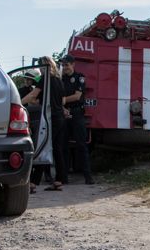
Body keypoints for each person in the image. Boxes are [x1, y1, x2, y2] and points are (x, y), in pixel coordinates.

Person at [21, 56, 69, 192]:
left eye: (41, 67)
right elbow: (63, 101)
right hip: (60, 117)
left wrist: (17, 102)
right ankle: (59, 180)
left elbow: (32, 96)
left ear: (45, 66)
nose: (40, 70)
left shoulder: (45, 79)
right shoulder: (59, 81)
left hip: (50, 118)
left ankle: (33, 183)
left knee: (43, 147)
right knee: (57, 149)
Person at [60, 55, 95, 184]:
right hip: (64, 113)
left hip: (76, 113)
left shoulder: (79, 77)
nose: (65, 68)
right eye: (63, 65)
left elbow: (77, 96)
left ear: (73, 64)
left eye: (67, 65)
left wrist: (62, 100)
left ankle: (88, 176)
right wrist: (62, 105)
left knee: (81, 145)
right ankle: (63, 177)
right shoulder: (61, 79)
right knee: (63, 146)